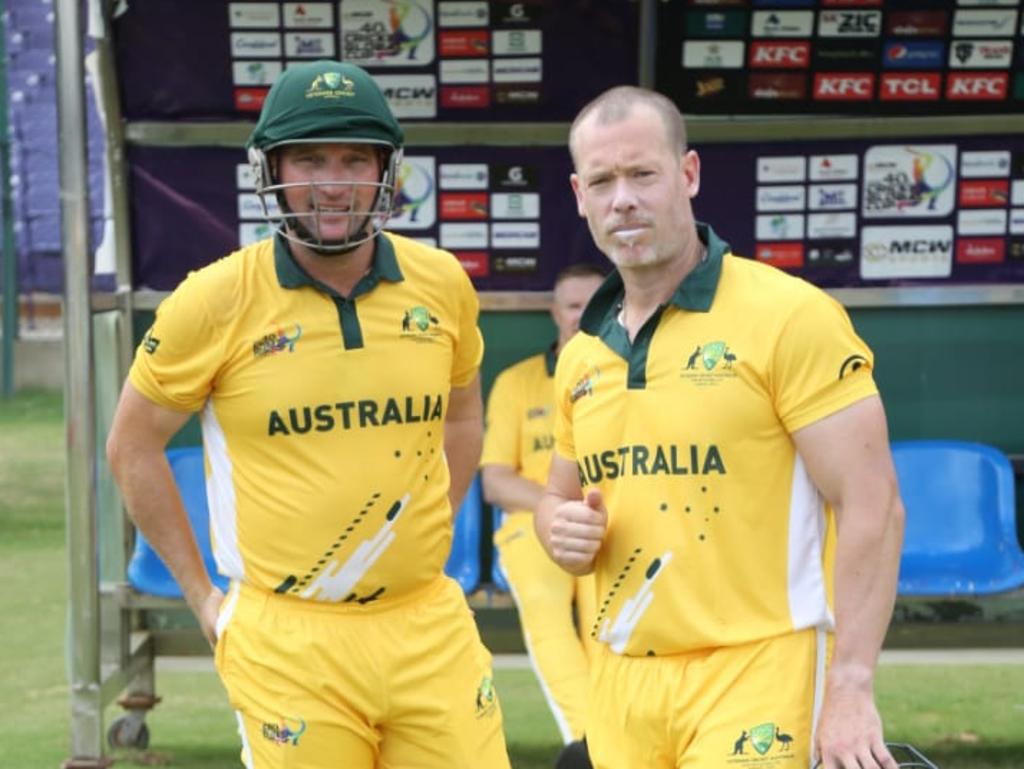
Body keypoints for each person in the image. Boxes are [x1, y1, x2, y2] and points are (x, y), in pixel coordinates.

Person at [106, 60, 510, 769]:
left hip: (427, 624)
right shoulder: (215, 298)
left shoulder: (441, 282)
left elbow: (462, 411)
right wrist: (203, 597)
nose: (332, 181)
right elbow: (131, 443)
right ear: (272, 170)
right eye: (309, 159)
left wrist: (426, 527)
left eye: (356, 158)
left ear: (387, 169)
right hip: (288, 637)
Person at [535, 85, 905, 769]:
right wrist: (557, 527)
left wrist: (852, 684)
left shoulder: (789, 315)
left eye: (642, 173)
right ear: (579, 195)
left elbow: (873, 503)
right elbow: (556, 499)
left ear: (689, 174)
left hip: (759, 668)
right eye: (602, 180)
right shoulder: (583, 354)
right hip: (623, 678)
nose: (623, 199)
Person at [480, 263, 604, 760]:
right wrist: (559, 507)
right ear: (555, 313)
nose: (581, 315)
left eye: (593, 304)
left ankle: (618, 735)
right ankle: (588, 742)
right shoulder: (518, 382)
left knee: (608, 626)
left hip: (608, 526)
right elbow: (496, 481)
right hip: (534, 526)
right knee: (547, 611)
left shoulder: (625, 373)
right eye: (573, 305)